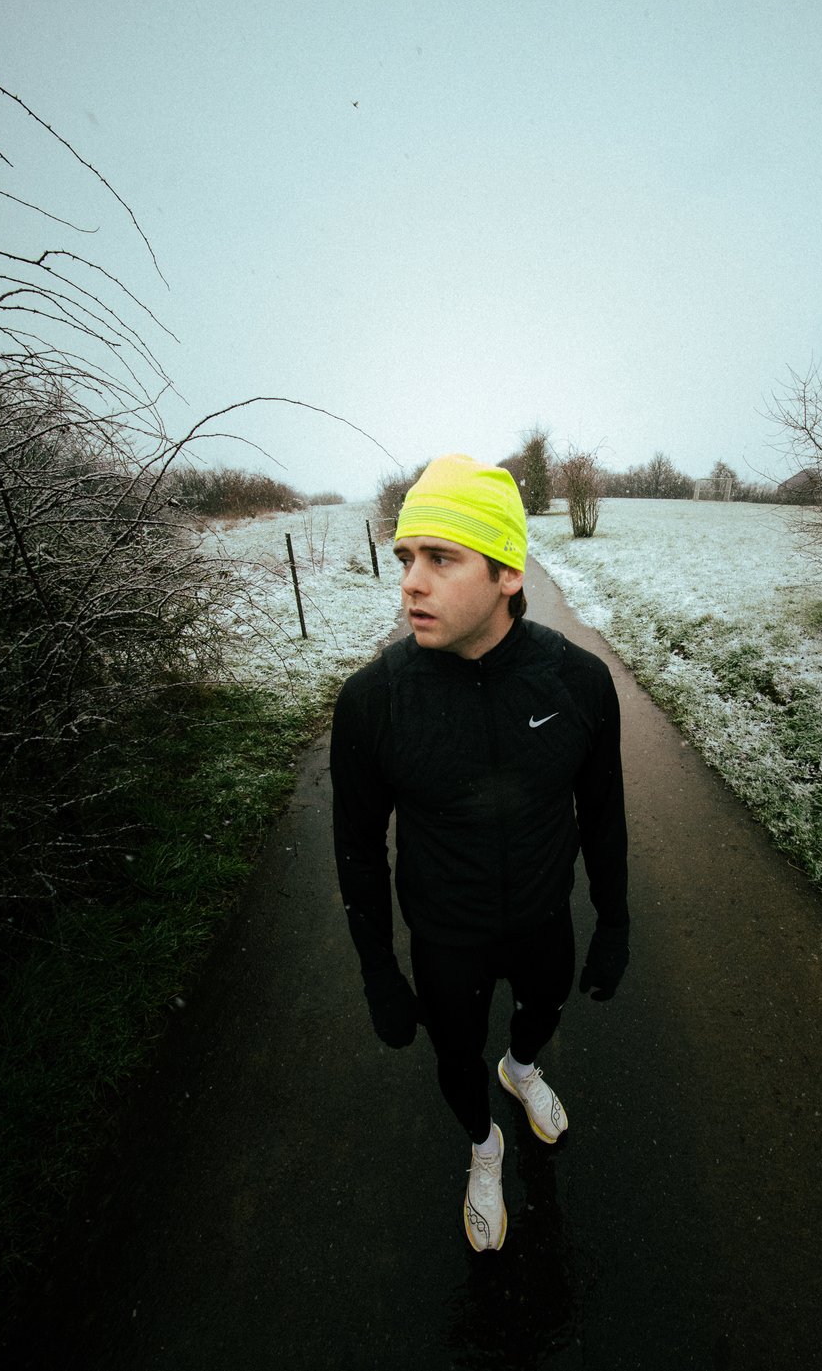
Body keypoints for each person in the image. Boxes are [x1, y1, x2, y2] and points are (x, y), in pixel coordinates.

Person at [329, 453, 629, 1252]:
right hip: (446, 935)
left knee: (539, 1011)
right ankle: (484, 1147)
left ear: (506, 571)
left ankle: (524, 1071)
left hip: (541, 918)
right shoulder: (374, 701)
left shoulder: (579, 684)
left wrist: (614, 919)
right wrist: (379, 972)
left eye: (440, 557)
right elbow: (357, 847)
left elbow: (602, 811)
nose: (411, 583)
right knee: (456, 1055)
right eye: (404, 557)